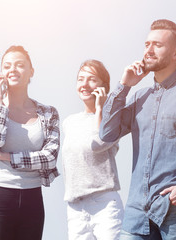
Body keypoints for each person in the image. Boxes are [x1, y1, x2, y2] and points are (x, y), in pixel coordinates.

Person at [100, 19, 176, 239]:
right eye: (147, 44)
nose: (149, 50)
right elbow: (107, 133)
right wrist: (124, 85)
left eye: (157, 45)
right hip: (137, 213)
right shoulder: (139, 97)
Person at [0, 45, 60, 240]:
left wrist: (5, 156)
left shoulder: (48, 113)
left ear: (31, 72)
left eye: (20, 65)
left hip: (32, 198)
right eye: (7, 66)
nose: (13, 70)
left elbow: (49, 159)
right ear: (1, 73)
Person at [62, 59, 124, 240]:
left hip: (103, 203)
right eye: (81, 79)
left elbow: (100, 141)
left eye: (92, 79)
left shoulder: (112, 119)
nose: (85, 84)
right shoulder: (69, 122)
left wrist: (99, 108)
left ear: (103, 86)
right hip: (75, 207)